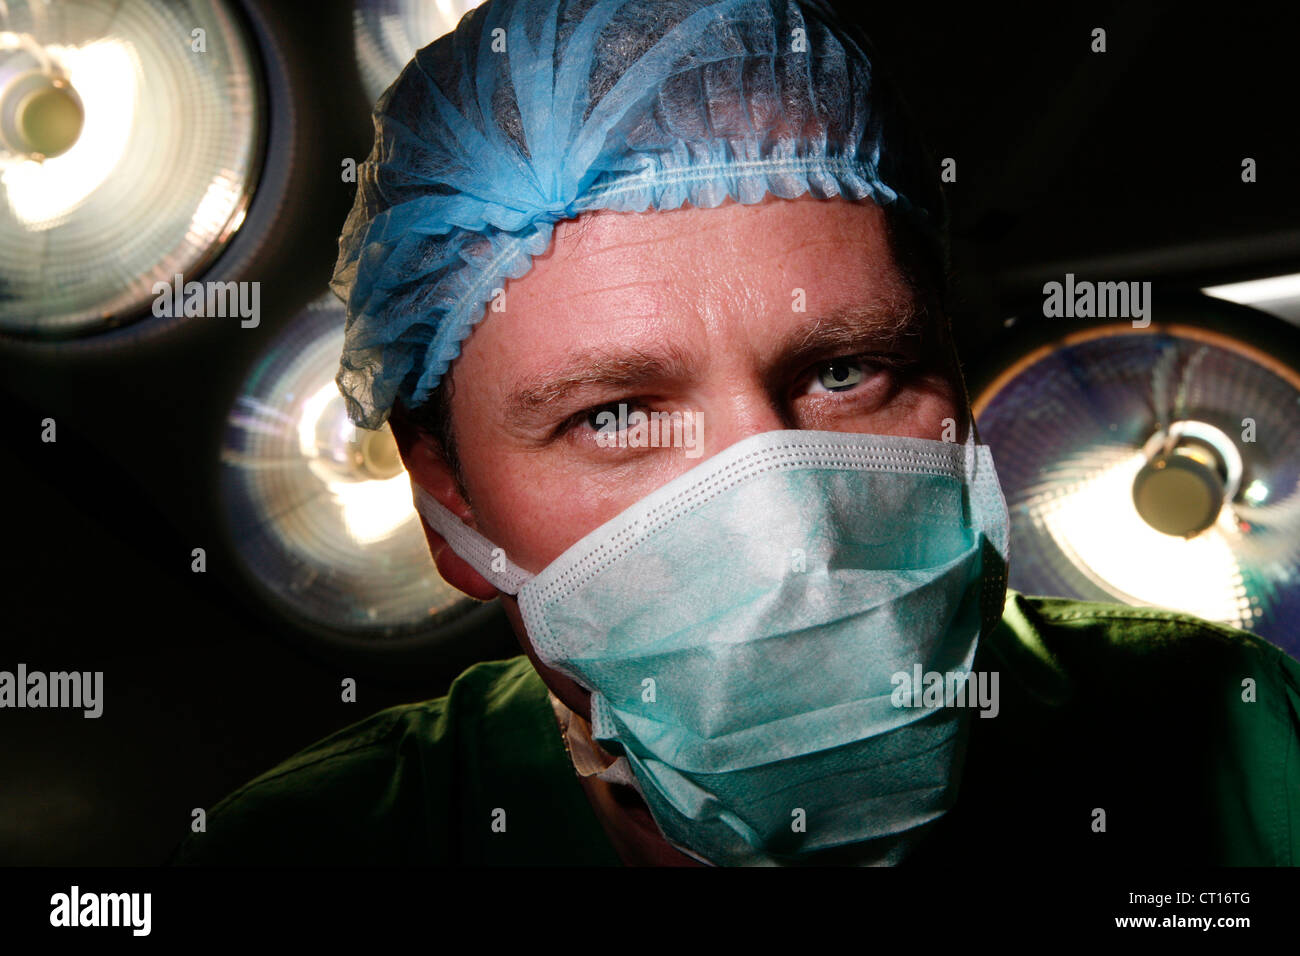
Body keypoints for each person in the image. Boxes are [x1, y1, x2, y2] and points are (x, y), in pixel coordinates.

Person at [172, 0, 1300, 867]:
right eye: (613, 414)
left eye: (845, 370)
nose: (784, 528)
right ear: (450, 506)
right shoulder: (313, 849)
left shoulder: (1235, 743)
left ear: (954, 379)